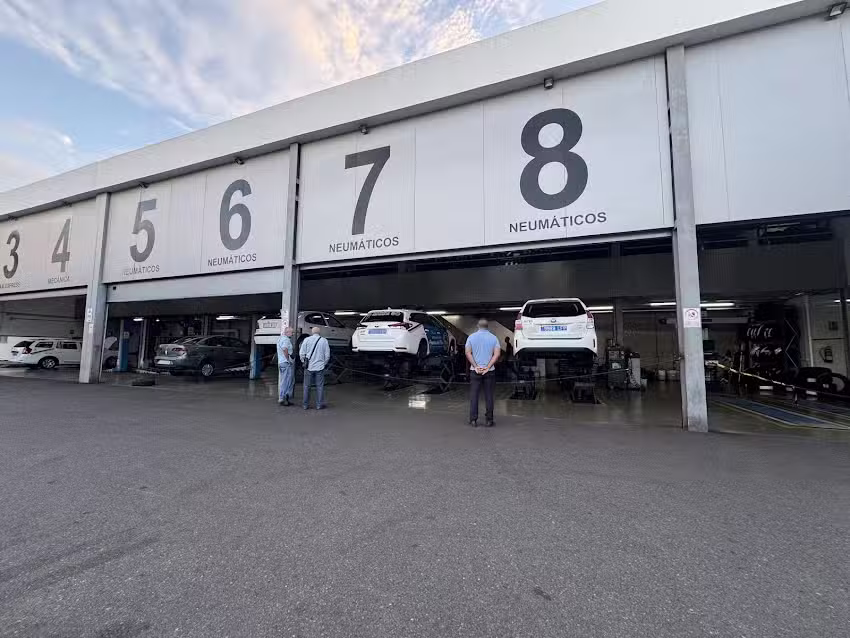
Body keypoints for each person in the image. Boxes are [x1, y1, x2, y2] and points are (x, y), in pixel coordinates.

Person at [465, 318, 501, 427]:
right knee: (489, 396)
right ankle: (489, 420)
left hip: (475, 371)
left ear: (478, 326)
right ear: (487, 326)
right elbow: (497, 354)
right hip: (489, 372)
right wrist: (488, 367)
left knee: (474, 395)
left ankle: (473, 420)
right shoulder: (494, 338)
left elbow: (468, 353)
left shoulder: (471, 337)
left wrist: (476, 366)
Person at [299, 326, 330, 410]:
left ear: (312, 332)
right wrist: (324, 364)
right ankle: (319, 405)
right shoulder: (324, 341)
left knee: (306, 386)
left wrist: (304, 362)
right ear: (319, 332)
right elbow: (327, 355)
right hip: (320, 367)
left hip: (308, 367)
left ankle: (305, 405)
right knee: (319, 386)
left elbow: (302, 353)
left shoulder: (306, 340)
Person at [276, 326, 295, 406]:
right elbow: (285, 349)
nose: (293, 334)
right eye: (292, 332)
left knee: (284, 381)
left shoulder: (280, 339)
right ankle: (283, 398)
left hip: (281, 362)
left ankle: (285, 398)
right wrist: (288, 359)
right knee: (286, 381)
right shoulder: (286, 339)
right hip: (285, 362)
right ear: (287, 332)